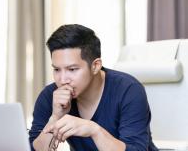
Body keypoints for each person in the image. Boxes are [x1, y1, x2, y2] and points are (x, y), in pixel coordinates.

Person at [28, 24, 158, 151]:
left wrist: (94, 130)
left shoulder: (129, 90)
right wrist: (55, 117)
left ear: (95, 66)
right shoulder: (50, 95)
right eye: (56, 69)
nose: (62, 80)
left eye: (72, 69)